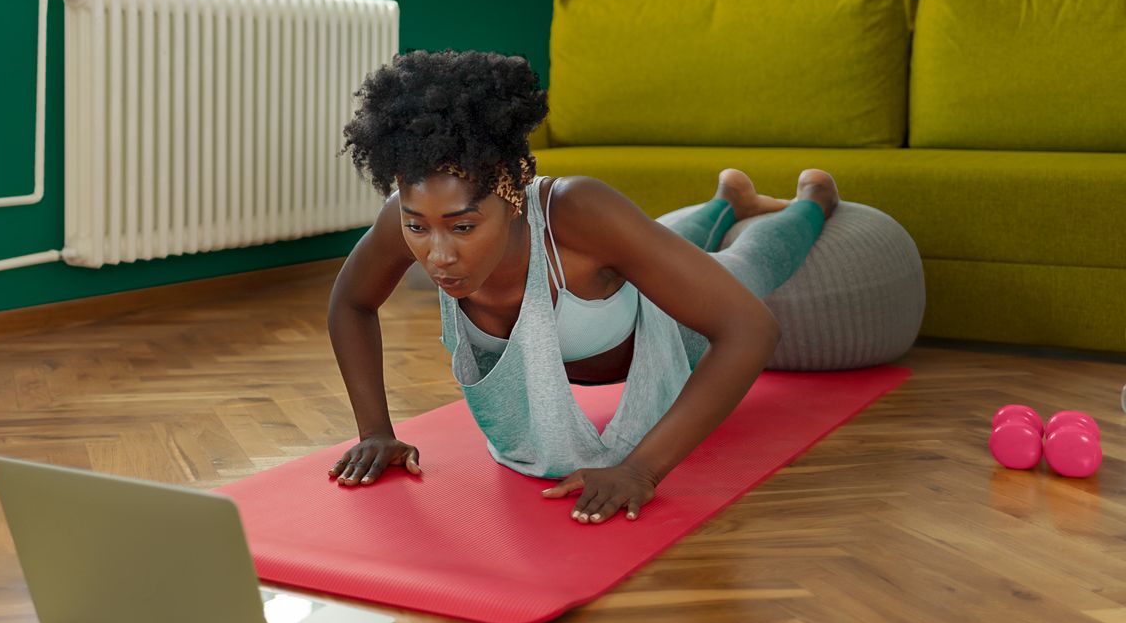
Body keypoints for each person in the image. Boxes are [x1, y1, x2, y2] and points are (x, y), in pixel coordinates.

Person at [326, 49, 840, 524]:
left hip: (672, 333)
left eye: (463, 228)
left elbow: (751, 329)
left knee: (743, 261)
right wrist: (375, 431)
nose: (437, 255)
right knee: (659, 245)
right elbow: (351, 301)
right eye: (419, 228)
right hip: (614, 279)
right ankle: (729, 196)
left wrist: (641, 470)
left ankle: (814, 197)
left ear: (512, 203)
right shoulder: (408, 216)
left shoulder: (578, 212)